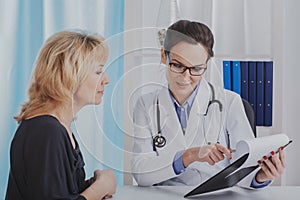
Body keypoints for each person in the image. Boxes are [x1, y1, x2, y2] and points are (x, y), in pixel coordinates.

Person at [131, 20, 286, 187]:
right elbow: (141, 173)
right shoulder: (146, 104)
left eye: (196, 69)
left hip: (216, 196)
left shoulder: (229, 102)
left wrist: (260, 177)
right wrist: (188, 156)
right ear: (164, 56)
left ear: (206, 65)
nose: (185, 77)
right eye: (177, 65)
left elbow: (246, 169)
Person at [5, 31, 116, 200]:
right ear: (70, 75)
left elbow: (59, 191)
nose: (106, 80)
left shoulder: (57, 127)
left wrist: (93, 185)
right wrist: (100, 188)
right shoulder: (46, 132)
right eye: (98, 72)